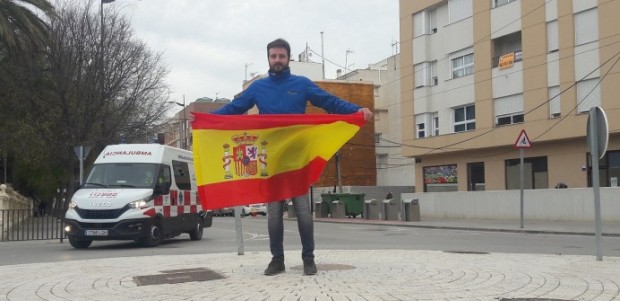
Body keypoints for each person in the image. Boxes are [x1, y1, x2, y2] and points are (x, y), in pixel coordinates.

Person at [212, 38, 373, 276]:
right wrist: (208, 120)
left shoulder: (302, 84)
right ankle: (277, 261)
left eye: (282, 56)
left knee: (303, 211)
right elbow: (234, 108)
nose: (277, 60)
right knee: (274, 213)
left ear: (288, 58)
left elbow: (329, 101)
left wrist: (356, 110)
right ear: (268, 58)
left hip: (298, 158)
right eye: (273, 56)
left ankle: (309, 260)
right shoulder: (257, 88)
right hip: (272, 159)